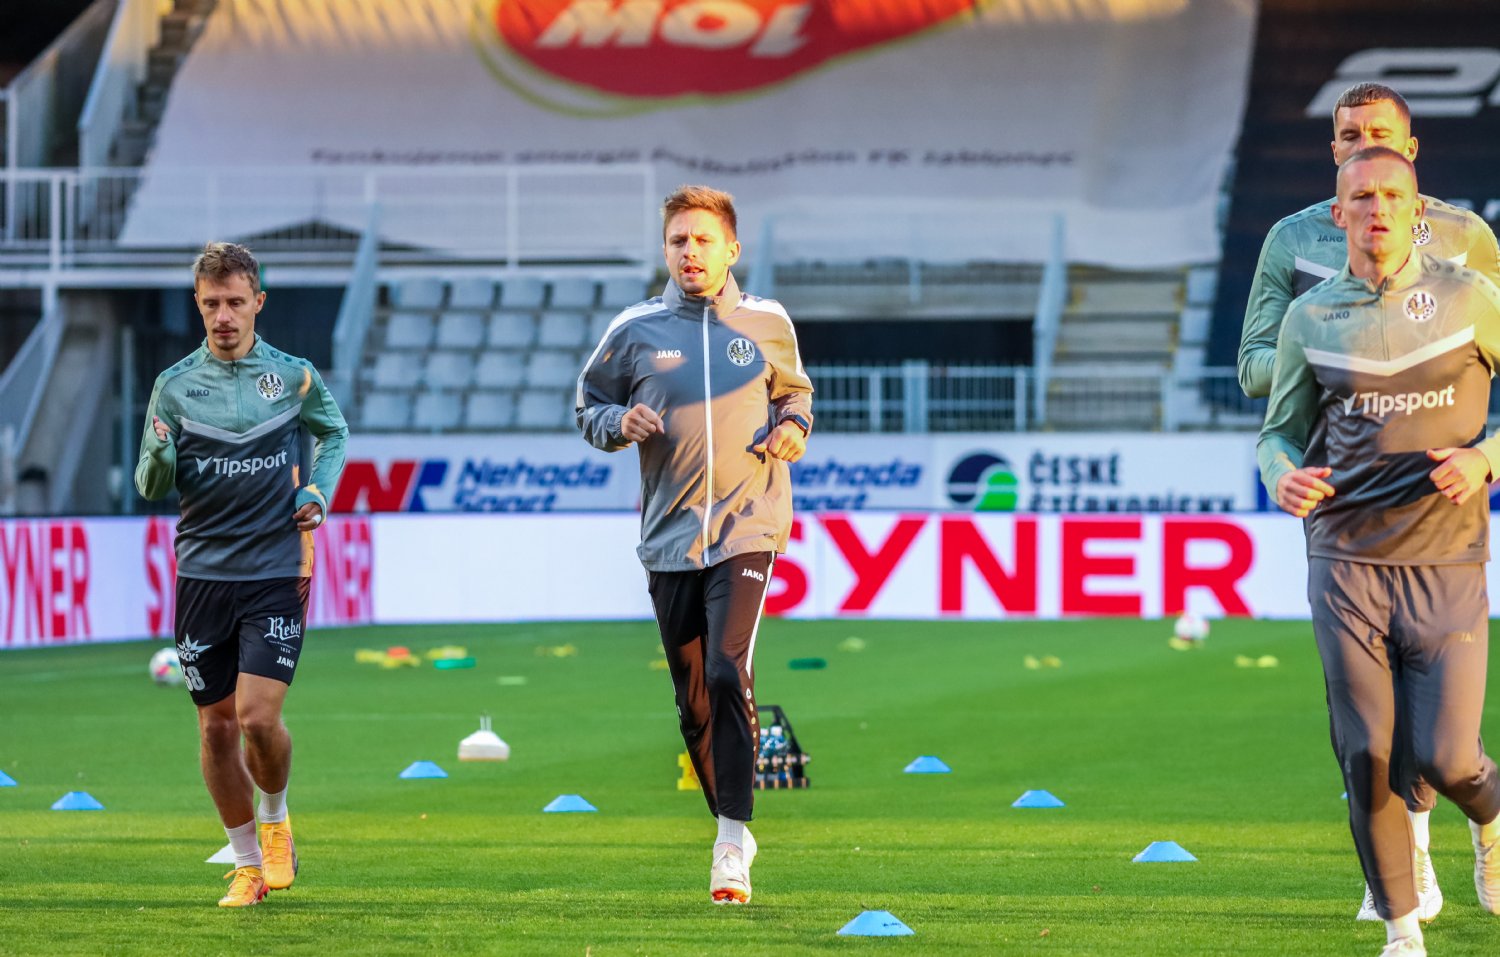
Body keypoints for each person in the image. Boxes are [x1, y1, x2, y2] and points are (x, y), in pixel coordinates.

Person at [1239, 82, 1500, 921]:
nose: (1361, 147)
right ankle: (1404, 865)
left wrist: (1480, 444)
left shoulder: (1466, 240)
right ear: (1333, 152)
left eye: (1377, 135)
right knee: (1363, 715)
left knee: (1438, 727)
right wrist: (1327, 344)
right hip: (1339, 499)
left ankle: (1459, 827)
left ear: (1411, 154)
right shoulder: (1293, 240)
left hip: (1436, 510)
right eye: (1348, 136)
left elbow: (1484, 343)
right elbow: (1254, 366)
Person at [576, 185, 813, 904]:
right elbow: (589, 406)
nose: (690, 251)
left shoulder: (767, 321)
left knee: (726, 669)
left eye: (703, 239)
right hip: (670, 537)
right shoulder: (634, 329)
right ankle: (729, 821)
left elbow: (795, 393)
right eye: (678, 240)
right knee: (693, 703)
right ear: (665, 250)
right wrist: (619, 423)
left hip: (749, 525)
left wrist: (793, 426)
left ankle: (731, 843)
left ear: (730, 249)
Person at [135, 242, 348, 908]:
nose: (223, 316)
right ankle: (249, 866)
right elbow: (149, 484)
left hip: (276, 567)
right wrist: (161, 453)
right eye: (211, 304)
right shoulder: (173, 386)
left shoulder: (293, 377)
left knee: (256, 718)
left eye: (234, 302)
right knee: (216, 729)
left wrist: (317, 491)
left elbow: (334, 433)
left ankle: (276, 819)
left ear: (259, 301)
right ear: (198, 305)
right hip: (202, 573)